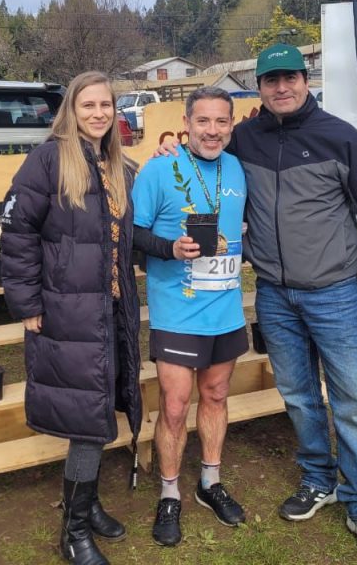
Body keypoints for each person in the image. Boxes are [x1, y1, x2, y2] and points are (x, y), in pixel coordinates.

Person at [158, 43, 357, 561]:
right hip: (274, 294)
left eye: (291, 77)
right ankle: (318, 479)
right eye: (271, 80)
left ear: (305, 80)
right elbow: (204, 151)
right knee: (298, 396)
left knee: (353, 402)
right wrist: (170, 152)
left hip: (334, 293)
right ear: (260, 88)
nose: (282, 87)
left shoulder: (340, 137)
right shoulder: (246, 138)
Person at [1, 71, 141, 565]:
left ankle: (88, 504)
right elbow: (17, 233)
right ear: (71, 110)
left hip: (110, 310)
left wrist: (173, 247)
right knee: (87, 419)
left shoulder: (118, 165)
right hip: (68, 312)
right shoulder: (47, 161)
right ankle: (74, 532)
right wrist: (28, 305)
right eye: (88, 105)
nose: (99, 114)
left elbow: (128, 235)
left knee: (98, 409)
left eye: (106, 105)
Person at [131, 87, 249, 547]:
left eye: (221, 121)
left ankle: (210, 483)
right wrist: (170, 248)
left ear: (231, 125)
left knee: (216, 395)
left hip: (225, 309)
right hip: (177, 311)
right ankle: (169, 493)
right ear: (185, 123)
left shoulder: (237, 166)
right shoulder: (159, 169)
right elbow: (131, 235)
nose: (212, 130)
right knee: (176, 405)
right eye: (203, 121)